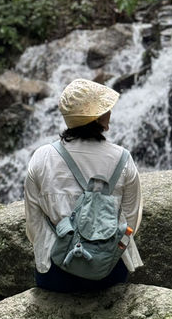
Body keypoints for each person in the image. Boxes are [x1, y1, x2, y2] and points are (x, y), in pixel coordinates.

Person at [24, 77, 143, 293]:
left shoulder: (41, 157)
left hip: (55, 274)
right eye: (106, 108)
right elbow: (131, 221)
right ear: (99, 118)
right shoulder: (123, 160)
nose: (110, 112)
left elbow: (34, 224)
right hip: (109, 272)